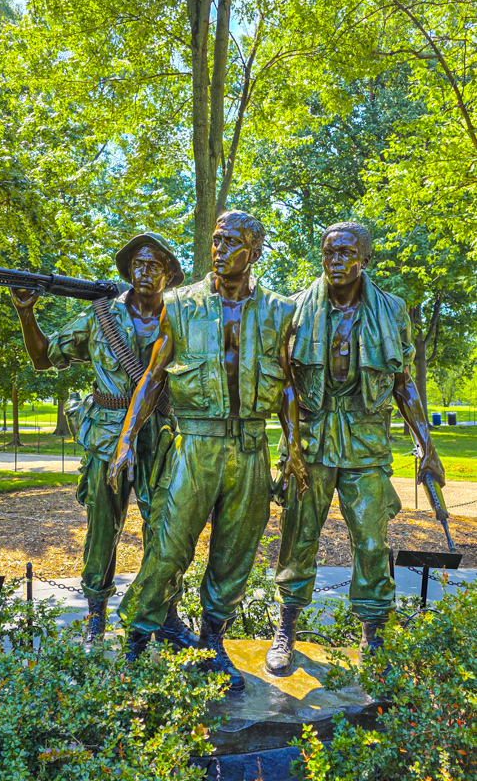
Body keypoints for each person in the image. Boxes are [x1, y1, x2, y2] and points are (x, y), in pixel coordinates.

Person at [107, 210, 308, 691]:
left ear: (255, 251)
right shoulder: (180, 304)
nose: (219, 249)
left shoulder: (280, 310)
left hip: (252, 447)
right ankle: (137, 639)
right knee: (168, 547)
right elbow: (153, 378)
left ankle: (212, 642)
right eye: (216, 240)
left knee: (234, 555)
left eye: (232, 242)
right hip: (194, 444)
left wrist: (294, 447)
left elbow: (287, 388)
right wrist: (124, 442)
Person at [265, 221, 445, 676]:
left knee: (370, 540)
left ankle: (374, 632)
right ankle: (286, 626)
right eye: (329, 252)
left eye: (347, 253)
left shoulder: (392, 310)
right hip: (311, 444)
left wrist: (426, 444)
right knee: (298, 535)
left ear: (365, 259)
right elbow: (283, 384)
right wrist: (290, 446)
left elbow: (403, 384)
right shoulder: (295, 310)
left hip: (366, 442)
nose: (337, 261)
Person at [11, 233, 197, 650]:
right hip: (107, 434)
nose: (145, 271)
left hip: (163, 433)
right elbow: (43, 358)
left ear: (169, 274)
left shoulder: (183, 318)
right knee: (102, 529)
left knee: (166, 527)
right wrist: (26, 314)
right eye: (138, 264)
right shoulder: (101, 315)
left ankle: (166, 612)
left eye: (155, 265)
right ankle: (96, 613)